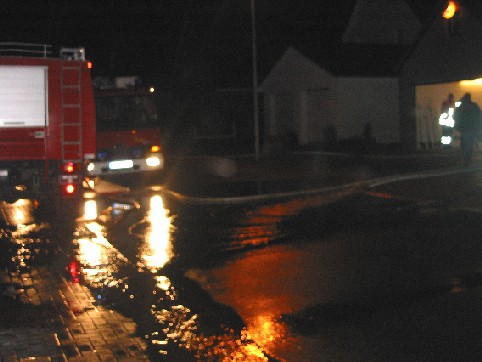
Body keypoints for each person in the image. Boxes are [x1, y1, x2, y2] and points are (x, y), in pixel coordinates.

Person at [453, 93, 482, 165]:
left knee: (465, 143)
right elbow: (479, 116)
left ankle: (467, 158)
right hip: (472, 128)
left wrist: (458, 126)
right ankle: (468, 158)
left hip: (464, 128)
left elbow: (456, 116)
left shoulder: (461, 107)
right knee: (470, 143)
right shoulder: (474, 106)